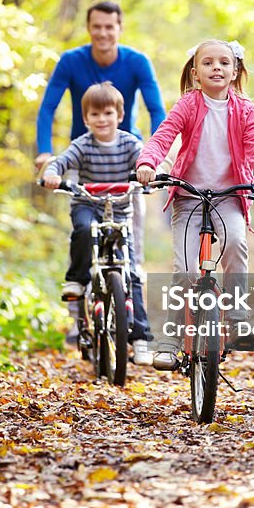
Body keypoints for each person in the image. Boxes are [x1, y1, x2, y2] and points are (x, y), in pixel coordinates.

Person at [135, 39, 254, 371]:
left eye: (223, 63)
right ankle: (170, 341)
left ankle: (237, 319)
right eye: (208, 63)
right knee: (186, 272)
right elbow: (164, 136)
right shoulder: (188, 104)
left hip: (229, 197)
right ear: (195, 73)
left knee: (235, 244)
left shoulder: (245, 110)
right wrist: (148, 163)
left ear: (234, 72)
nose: (216, 67)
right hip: (188, 198)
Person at [35, 0, 166, 267]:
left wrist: (154, 157)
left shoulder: (138, 62)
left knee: (131, 226)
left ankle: (132, 278)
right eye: (97, 27)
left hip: (129, 155)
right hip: (83, 154)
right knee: (83, 225)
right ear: (88, 28)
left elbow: (157, 111)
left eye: (109, 27)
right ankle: (80, 288)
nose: (103, 33)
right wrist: (45, 152)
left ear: (120, 28)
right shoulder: (71, 61)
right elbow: (48, 107)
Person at [41, 82, 153, 366]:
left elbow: (147, 163)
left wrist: (150, 173)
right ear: (86, 118)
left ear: (119, 114)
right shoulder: (83, 144)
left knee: (131, 271)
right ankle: (77, 280)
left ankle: (140, 337)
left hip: (119, 209)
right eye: (94, 114)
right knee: (82, 230)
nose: (101, 119)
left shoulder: (129, 143)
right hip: (88, 205)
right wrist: (53, 174)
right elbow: (61, 162)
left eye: (107, 113)